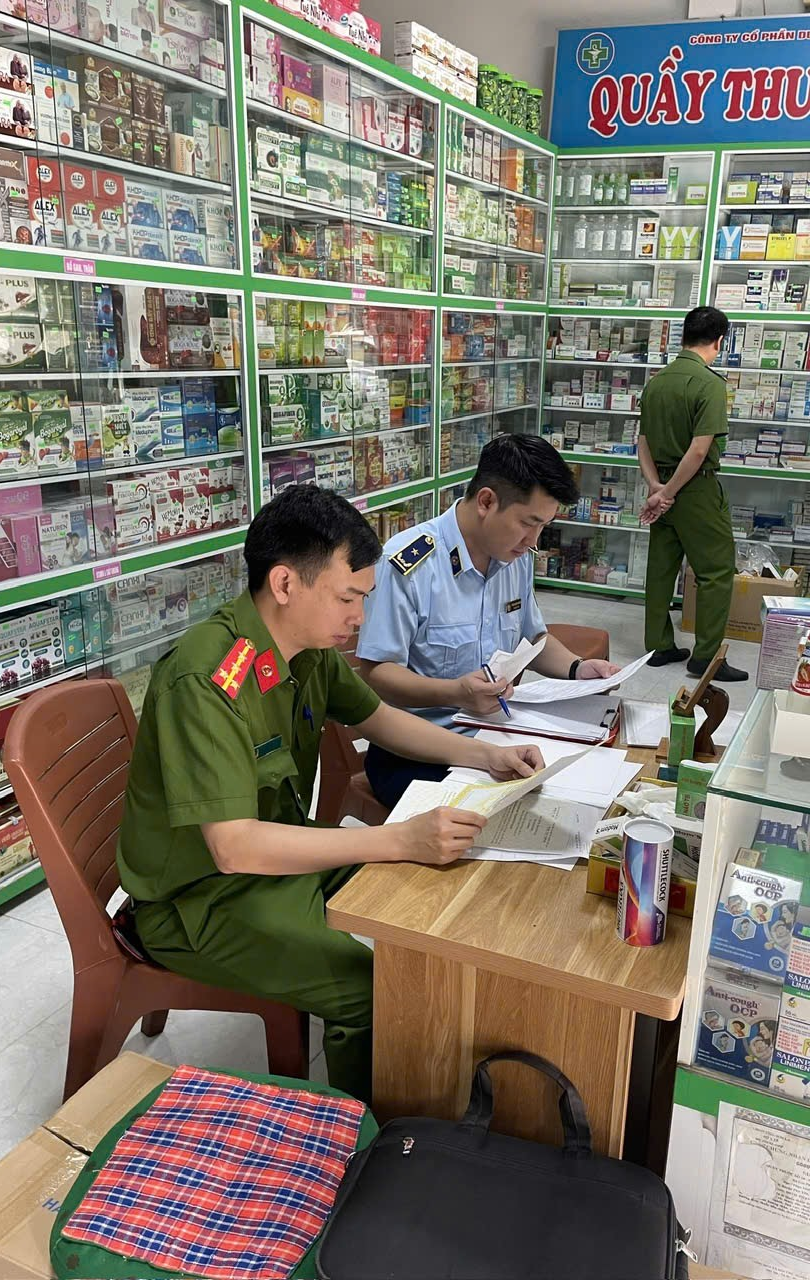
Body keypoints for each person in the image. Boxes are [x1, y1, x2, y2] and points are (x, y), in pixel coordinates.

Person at [116, 485, 544, 1104]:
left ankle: (433, 1074)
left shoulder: (306, 649)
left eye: (364, 598)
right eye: (349, 598)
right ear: (285, 584)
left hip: (282, 859)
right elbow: (234, 847)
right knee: (370, 989)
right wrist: (398, 839)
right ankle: (361, 1138)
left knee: (435, 892)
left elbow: (378, 718)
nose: (360, 618)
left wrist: (484, 755)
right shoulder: (206, 679)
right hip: (199, 899)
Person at [356, 434, 622, 810]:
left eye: (543, 526)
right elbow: (376, 674)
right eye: (528, 523)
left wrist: (578, 668)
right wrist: (455, 693)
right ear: (486, 501)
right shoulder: (408, 564)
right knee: (524, 814)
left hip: (498, 733)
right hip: (418, 750)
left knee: (587, 790)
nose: (534, 541)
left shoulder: (515, 557)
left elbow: (534, 638)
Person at [638, 306, 747, 683]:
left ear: (683, 336)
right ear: (720, 341)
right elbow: (699, 450)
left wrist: (656, 488)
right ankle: (705, 658)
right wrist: (669, 492)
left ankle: (658, 646)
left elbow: (642, 442)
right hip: (695, 489)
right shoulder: (709, 384)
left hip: (661, 486)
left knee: (661, 569)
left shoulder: (657, 382)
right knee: (715, 571)